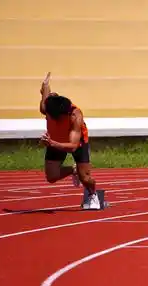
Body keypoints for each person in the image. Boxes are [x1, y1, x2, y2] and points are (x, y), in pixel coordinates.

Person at [38, 72, 101, 209]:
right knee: (51, 177)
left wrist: (52, 143)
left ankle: (93, 195)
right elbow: (45, 94)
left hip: (77, 142)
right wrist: (46, 84)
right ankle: (73, 169)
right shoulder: (46, 108)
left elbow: (73, 146)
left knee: (85, 178)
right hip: (54, 140)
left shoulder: (75, 116)